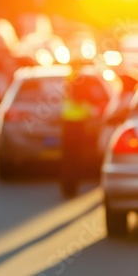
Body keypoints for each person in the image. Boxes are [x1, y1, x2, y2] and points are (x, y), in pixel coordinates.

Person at [59, 62, 97, 197]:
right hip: (77, 125)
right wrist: (91, 111)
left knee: (68, 158)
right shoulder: (80, 81)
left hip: (68, 124)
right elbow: (84, 100)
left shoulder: (69, 80)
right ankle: (71, 188)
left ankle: (67, 188)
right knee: (74, 159)